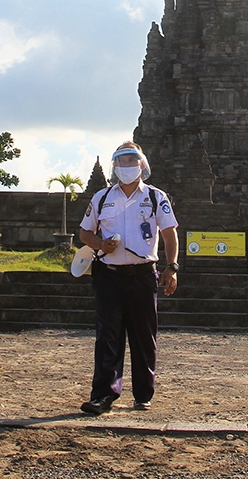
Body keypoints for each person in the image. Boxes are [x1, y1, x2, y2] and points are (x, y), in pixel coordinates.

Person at [78, 141, 179, 414]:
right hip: (108, 275)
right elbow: (84, 233)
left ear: (142, 165)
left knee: (144, 336)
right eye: (122, 161)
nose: (127, 166)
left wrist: (172, 267)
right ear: (115, 166)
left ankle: (143, 393)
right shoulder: (101, 198)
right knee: (107, 336)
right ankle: (103, 395)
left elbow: (169, 233)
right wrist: (100, 245)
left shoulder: (157, 197)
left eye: (132, 160)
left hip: (143, 275)